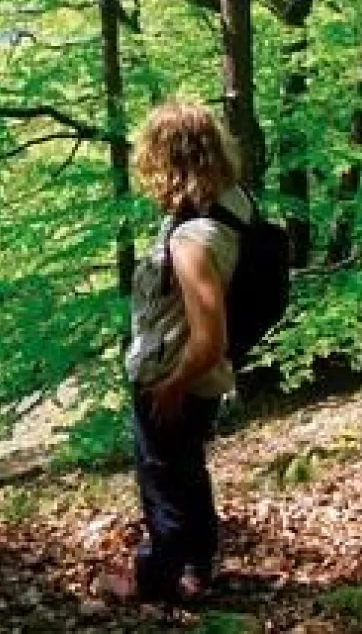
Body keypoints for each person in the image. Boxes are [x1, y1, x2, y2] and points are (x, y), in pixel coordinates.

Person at [102, 100, 252, 603]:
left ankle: (154, 582)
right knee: (188, 472)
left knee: (162, 484)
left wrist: (171, 386)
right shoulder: (233, 207)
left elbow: (209, 338)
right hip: (197, 379)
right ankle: (197, 566)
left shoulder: (192, 239)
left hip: (177, 378)